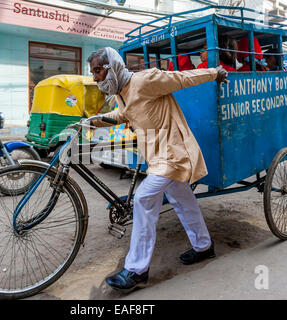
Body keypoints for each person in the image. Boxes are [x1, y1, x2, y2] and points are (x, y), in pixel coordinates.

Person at [87, 47, 229, 293]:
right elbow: (123, 114)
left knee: (143, 199)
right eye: (93, 73)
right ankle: (204, 247)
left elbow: (183, 79)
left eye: (98, 71)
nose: (95, 78)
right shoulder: (122, 92)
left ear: (112, 67)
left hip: (173, 153)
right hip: (157, 158)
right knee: (184, 202)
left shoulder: (145, 80)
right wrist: (90, 121)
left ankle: (136, 270)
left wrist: (214, 73)